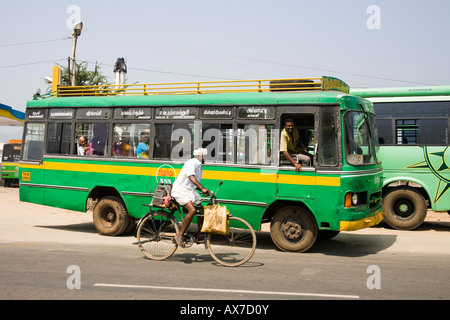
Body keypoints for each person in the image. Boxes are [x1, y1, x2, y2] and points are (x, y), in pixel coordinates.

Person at [171, 148, 210, 247]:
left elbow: (193, 182)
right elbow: (191, 177)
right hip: (180, 190)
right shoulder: (193, 162)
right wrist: (202, 188)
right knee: (192, 210)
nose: (205, 157)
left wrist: (205, 191)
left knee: (200, 210)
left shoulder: (199, 165)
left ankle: (200, 234)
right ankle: (179, 234)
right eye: (204, 156)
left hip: (189, 191)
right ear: (200, 156)